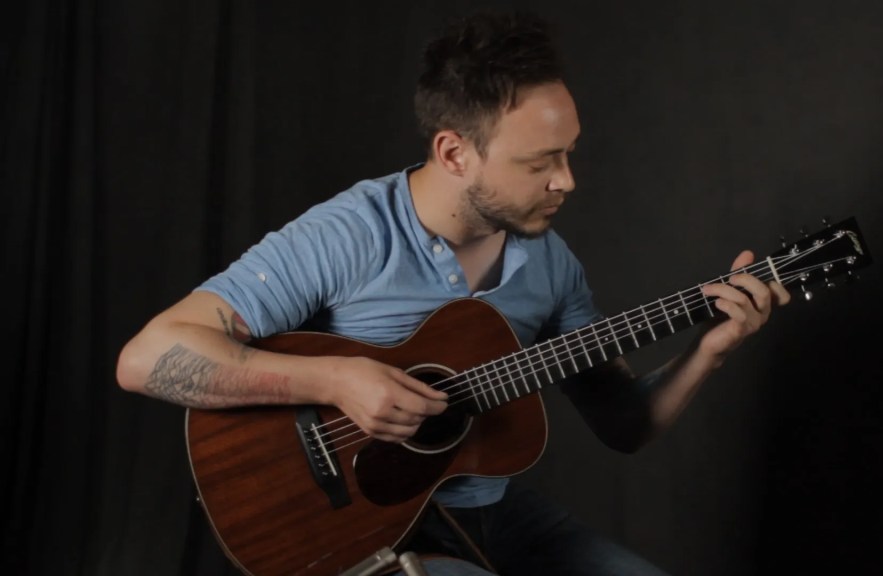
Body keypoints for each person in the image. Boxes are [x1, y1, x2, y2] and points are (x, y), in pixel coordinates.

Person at [117, 10, 790, 576]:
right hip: (372, 534)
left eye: (569, 153)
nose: (567, 182)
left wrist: (710, 350)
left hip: (497, 517)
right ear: (454, 153)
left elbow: (624, 425)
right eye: (540, 163)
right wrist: (337, 380)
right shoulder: (348, 235)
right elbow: (147, 358)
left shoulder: (552, 265)